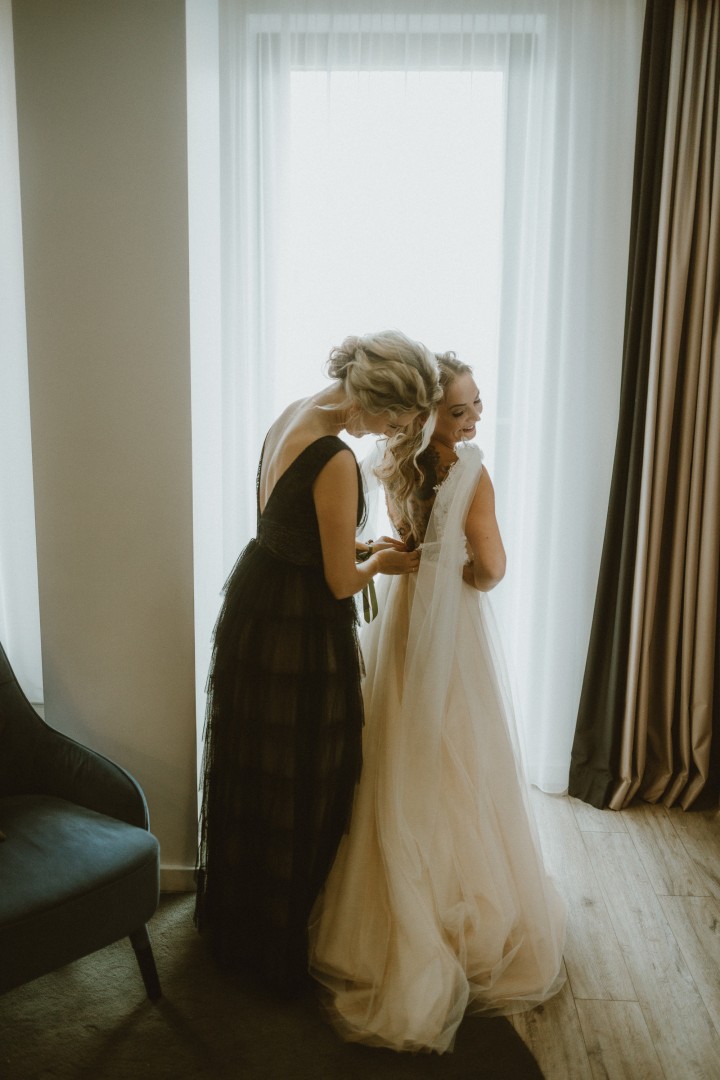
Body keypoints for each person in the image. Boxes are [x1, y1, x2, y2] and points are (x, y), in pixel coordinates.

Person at [309, 354, 566, 1052]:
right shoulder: (470, 470)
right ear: (432, 414)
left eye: (478, 402)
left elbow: (402, 538)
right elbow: (492, 569)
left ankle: (394, 890)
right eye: (461, 409)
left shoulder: (390, 459)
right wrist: (465, 572)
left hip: (401, 611)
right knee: (458, 751)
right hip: (448, 624)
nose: (475, 417)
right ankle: (461, 897)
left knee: (396, 746)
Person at [195, 330, 442, 995]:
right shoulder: (336, 458)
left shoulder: (292, 414)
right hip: (300, 627)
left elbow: (284, 525)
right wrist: (380, 561)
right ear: (371, 400)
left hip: (257, 605)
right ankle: (285, 938)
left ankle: (244, 922)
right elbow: (338, 583)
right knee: (310, 769)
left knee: (259, 762)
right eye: (394, 421)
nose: (391, 434)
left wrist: (355, 545)